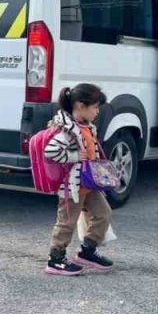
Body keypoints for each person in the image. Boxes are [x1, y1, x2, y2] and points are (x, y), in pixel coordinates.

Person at [42, 83, 115, 276]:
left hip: (89, 184)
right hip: (71, 186)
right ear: (81, 106)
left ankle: (87, 251)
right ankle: (55, 259)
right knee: (67, 222)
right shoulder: (67, 130)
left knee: (104, 213)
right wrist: (75, 156)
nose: (97, 111)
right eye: (95, 107)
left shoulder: (87, 127)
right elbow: (50, 151)